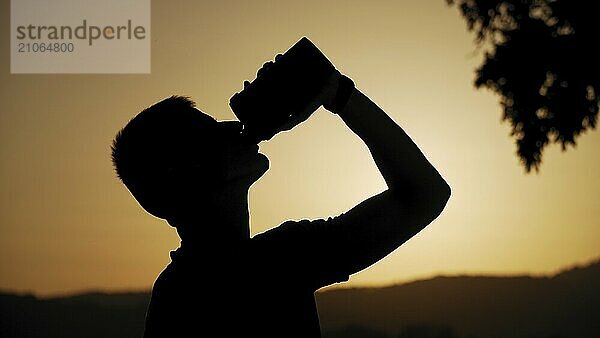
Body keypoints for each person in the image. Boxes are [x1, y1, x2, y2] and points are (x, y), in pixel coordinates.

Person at [111, 65, 450, 337]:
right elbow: (425, 194)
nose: (232, 127)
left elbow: (425, 195)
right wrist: (339, 96)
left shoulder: (187, 288)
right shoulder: (263, 267)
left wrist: (336, 92)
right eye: (211, 131)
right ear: (185, 172)